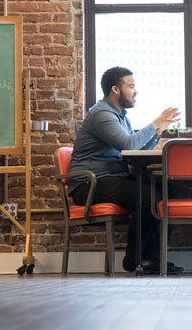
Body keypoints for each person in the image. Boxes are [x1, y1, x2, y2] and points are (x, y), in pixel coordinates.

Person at [68, 66, 182, 274]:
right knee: (147, 197)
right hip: (89, 183)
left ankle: (153, 259)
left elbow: (135, 151)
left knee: (168, 191)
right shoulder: (102, 114)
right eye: (131, 86)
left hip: (111, 178)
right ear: (115, 89)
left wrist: (157, 132)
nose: (135, 91)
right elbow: (129, 145)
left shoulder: (120, 116)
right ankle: (134, 260)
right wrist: (154, 122)